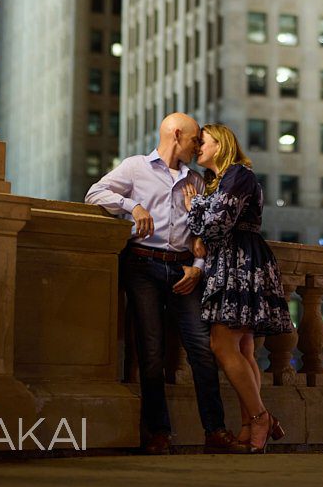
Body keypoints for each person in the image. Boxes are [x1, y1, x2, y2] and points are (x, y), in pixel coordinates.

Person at [85, 112, 239, 455]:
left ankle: (215, 431)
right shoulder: (135, 167)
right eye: (195, 139)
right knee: (151, 354)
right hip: (142, 267)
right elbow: (94, 194)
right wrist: (132, 206)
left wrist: (198, 266)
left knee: (202, 350)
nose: (198, 145)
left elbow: (203, 236)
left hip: (184, 273)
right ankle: (158, 433)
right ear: (177, 135)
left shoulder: (195, 182)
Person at [181, 123, 294, 454]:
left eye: (203, 141)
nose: (197, 146)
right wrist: (204, 220)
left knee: (222, 344)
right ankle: (250, 424)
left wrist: (195, 208)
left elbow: (217, 224)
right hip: (231, 262)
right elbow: (213, 226)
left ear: (221, 143)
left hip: (240, 262)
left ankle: (260, 417)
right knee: (243, 348)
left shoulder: (238, 174)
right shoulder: (222, 180)